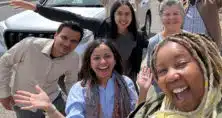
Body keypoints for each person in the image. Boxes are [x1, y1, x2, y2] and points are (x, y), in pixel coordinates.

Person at [10, 0, 149, 83]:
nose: (123, 18)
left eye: (127, 14)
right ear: (113, 15)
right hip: (98, 79)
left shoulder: (138, 36)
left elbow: (156, 50)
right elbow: (71, 17)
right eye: (119, 13)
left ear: (132, 16)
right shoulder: (102, 26)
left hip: (124, 82)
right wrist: (36, 8)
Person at [130, 32, 222, 117]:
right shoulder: (152, 109)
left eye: (181, 64)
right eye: (162, 71)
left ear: (204, 65)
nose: (171, 76)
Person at [14, 39, 138, 118]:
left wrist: (142, 91)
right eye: (96, 58)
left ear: (115, 59)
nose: (103, 62)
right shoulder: (79, 89)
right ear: (89, 63)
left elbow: (137, 114)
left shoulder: (126, 83)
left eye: (107, 56)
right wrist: (51, 109)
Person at [0, 21, 83, 118]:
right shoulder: (29, 45)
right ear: (56, 35)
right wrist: (4, 93)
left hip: (53, 96)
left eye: (74, 41)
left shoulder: (74, 58)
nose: (67, 44)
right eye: (64, 37)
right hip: (26, 101)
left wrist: (74, 101)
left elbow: (71, 81)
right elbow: (4, 63)